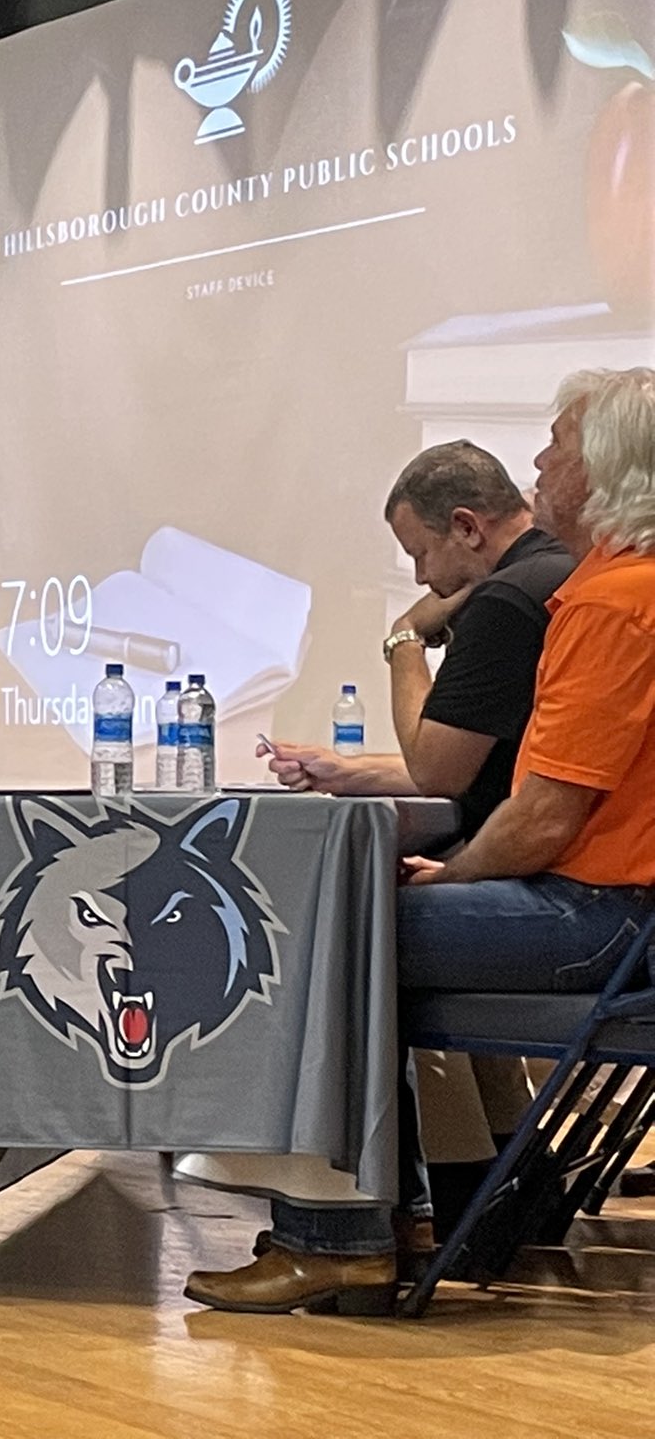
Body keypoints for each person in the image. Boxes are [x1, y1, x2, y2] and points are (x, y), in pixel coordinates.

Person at [186, 366, 655, 1314]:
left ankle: (337, 1237)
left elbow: (539, 818)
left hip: (601, 919)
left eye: (557, 445)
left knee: (313, 939)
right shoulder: (608, 589)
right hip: (620, 915)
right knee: (350, 923)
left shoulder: (614, 604)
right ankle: (405, 1211)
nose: (538, 462)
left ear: (603, 473)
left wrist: (447, 878)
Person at [266, 441, 574, 837]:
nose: (420, 577)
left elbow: (435, 774)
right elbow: (481, 762)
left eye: (420, 554)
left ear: (467, 527)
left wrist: (405, 637)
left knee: (350, 894)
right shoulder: (562, 565)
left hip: (540, 872)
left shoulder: (505, 602)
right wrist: (348, 771)